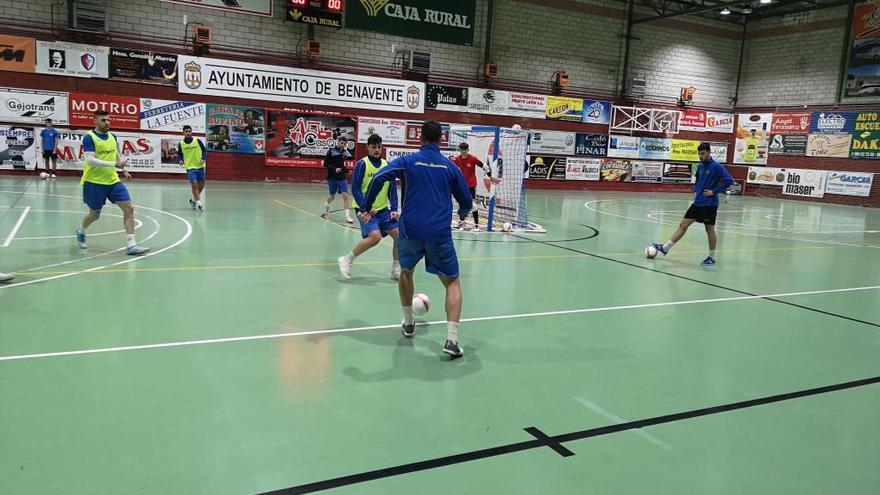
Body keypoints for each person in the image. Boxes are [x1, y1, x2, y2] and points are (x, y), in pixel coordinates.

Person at [359, 121, 472, 359]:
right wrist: (462, 213)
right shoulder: (451, 168)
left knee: (406, 272)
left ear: (420, 137)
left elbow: (379, 177)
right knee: (452, 283)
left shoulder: (408, 161)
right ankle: (451, 340)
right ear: (441, 139)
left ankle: (409, 322)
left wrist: (367, 206)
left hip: (410, 231)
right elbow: (467, 202)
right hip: (438, 233)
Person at [75, 110, 149, 256]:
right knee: (94, 215)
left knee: (129, 208)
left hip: (113, 180)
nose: (107, 122)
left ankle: (131, 244)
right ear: (95, 121)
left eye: (108, 120)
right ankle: (81, 231)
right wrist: (114, 164)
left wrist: (123, 169)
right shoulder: (89, 138)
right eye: (103, 120)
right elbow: (89, 160)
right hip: (94, 182)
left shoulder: (113, 136)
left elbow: (116, 154)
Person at [651, 142, 733, 266]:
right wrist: (697, 191)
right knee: (683, 225)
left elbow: (729, 180)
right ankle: (665, 248)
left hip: (709, 204)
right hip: (697, 203)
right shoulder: (700, 167)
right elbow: (698, 180)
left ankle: (712, 257)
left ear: (709, 152)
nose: (701, 156)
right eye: (699, 153)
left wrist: (714, 191)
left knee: (709, 229)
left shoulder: (716, 166)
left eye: (703, 153)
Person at [338, 134, 400, 280]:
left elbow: (392, 189)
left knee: (400, 236)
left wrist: (394, 209)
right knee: (375, 237)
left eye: (379, 146)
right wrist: (366, 208)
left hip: (383, 209)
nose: (377, 149)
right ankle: (347, 259)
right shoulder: (362, 164)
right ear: (368, 147)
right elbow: (356, 190)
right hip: (364, 209)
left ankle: (396, 269)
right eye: (373, 147)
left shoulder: (387, 165)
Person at [452, 142, 487, 231]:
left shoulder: (472, 159)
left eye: (465, 150)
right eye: (462, 150)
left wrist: (490, 176)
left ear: (468, 150)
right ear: (460, 150)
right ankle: (462, 222)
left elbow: (483, 166)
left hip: (471, 185)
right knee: (461, 204)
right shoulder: (457, 159)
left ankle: (476, 225)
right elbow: (454, 171)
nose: (463, 151)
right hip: (461, 185)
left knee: (473, 205)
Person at [322, 136, 353, 224]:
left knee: (345, 196)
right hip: (332, 178)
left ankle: (347, 217)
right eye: (342, 143)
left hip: (342, 178)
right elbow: (325, 164)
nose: (343, 145)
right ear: (338, 142)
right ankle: (327, 205)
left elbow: (342, 165)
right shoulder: (331, 151)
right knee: (332, 197)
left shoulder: (344, 153)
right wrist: (334, 169)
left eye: (344, 143)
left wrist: (347, 171)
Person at [178, 125, 207, 211]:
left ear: (191, 132)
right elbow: (180, 154)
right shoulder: (181, 144)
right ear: (183, 132)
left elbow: (204, 151)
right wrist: (180, 160)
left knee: (201, 185)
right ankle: (199, 203)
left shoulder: (197, 141)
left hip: (200, 166)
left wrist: (203, 158)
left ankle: (193, 200)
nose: (188, 133)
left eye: (189, 131)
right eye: (186, 131)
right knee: (194, 184)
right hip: (190, 167)